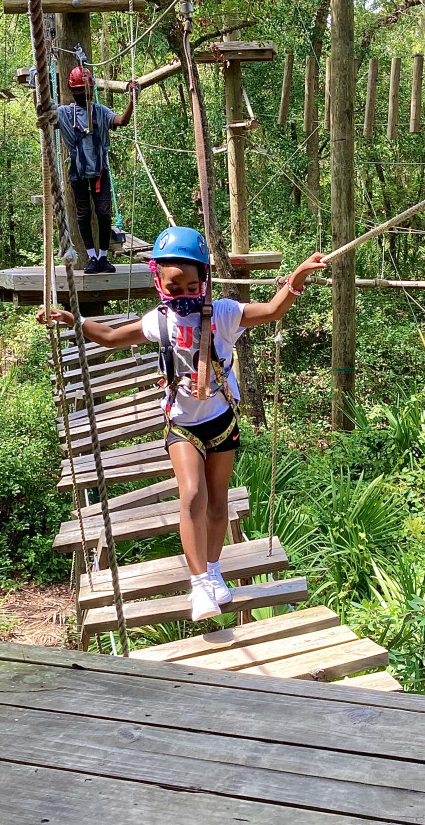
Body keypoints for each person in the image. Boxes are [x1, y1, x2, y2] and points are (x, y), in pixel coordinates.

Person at [39, 227, 326, 621]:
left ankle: (212, 572)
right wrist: (72, 319)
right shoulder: (159, 321)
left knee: (218, 502)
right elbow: (108, 337)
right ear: (158, 282)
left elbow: (272, 311)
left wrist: (296, 278)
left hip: (221, 420)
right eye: (175, 288)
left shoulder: (223, 313)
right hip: (181, 423)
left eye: (193, 285)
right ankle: (199, 586)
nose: (185, 295)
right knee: (193, 495)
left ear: (204, 280)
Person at [56, 66, 137, 275]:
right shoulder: (65, 113)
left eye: (86, 89)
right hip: (79, 172)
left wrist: (131, 101)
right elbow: (44, 113)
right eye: (79, 90)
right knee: (83, 214)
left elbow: (122, 120)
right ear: (72, 91)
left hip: (100, 171)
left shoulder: (100, 112)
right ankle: (92, 256)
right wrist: (38, 85)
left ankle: (102, 257)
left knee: (104, 214)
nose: (83, 94)